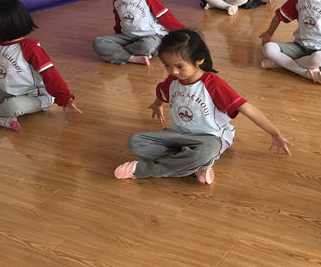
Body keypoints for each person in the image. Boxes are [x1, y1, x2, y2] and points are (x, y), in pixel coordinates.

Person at [114, 29, 292, 184]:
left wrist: (275, 133)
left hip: (210, 137)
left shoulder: (212, 84)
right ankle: (193, 165)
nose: (173, 71)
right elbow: (162, 91)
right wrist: (157, 104)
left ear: (199, 60)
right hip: (178, 134)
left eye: (179, 66)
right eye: (167, 65)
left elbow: (247, 108)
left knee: (202, 154)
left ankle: (144, 170)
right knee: (135, 142)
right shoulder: (173, 80)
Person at [0, 0, 82, 131]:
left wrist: (64, 97)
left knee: (11, 107)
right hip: (8, 92)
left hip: (35, 95)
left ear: (4, 24)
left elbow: (50, 74)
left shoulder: (30, 48)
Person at [92, 0, 184, 65]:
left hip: (152, 36)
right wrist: (118, 35)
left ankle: (119, 53)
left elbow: (164, 16)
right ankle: (132, 58)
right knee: (98, 42)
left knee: (147, 45)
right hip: (128, 37)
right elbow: (119, 19)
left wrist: (183, 32)